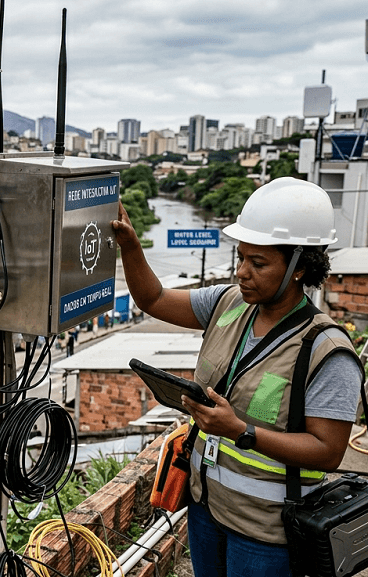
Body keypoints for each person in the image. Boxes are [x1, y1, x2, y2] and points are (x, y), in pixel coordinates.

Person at [111, 177, 364, 577]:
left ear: (299, 267)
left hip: (268, 532)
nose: (242, 272)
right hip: (206, 509)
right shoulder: (228, 302)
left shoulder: (325, 350)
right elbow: (153, 299)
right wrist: (130, 246)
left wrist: (242, 431)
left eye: (258, 263)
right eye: (240, 257)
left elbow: (328, 451)